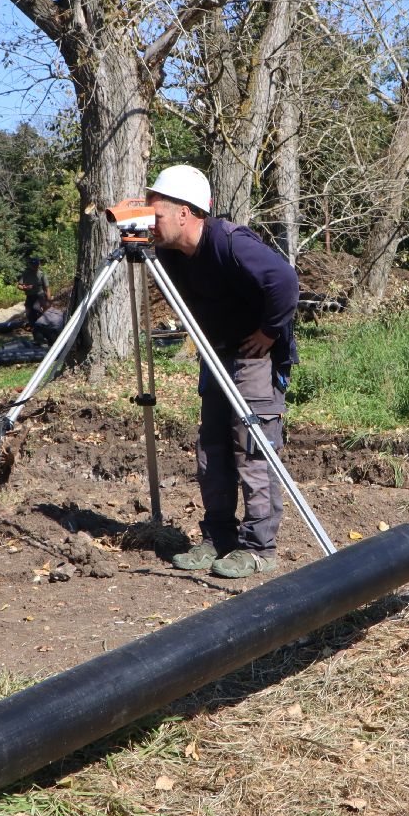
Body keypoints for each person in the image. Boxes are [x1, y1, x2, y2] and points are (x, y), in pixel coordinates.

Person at [146, 164, 299, 579]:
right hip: (215, 355)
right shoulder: (167, 254)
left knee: (252, 447)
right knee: (212, 448)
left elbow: (284, 280)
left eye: (156, 213)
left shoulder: (230, 242)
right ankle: (219, 538)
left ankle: (258, 548)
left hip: (254, 358)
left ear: (185, 213)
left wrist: (269, 331)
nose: (150, 222)